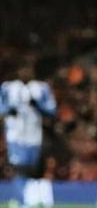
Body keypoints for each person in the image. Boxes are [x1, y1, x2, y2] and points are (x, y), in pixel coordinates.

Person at [0, 63, 57, 202]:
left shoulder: (42, 88)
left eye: (28, 69)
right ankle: (20, 200)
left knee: (32, 170)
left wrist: (38, 106)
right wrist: (9, 110)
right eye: (23, 69)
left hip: (34, 136)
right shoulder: (7, 87)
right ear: (18, 71)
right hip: (15, 136)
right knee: (19, 168)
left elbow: (52, 110)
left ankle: (27, 198)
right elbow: (1, 107)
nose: (26, 72)